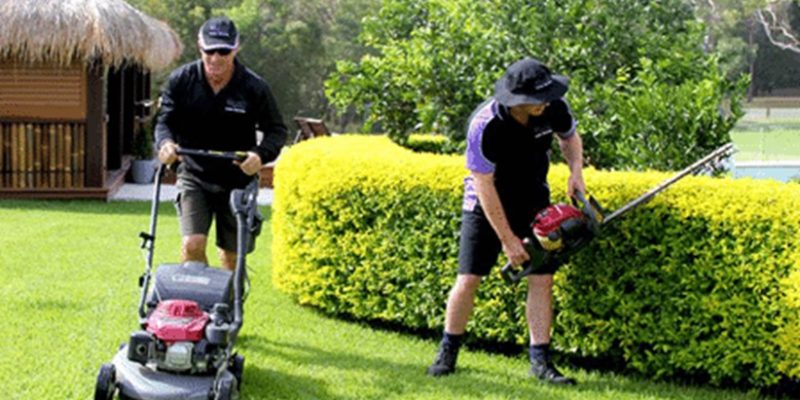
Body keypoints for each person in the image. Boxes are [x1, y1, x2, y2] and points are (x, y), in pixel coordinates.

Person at [427, 58, 585, 385]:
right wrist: (508, 240)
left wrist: (576, 173)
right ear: (517, 100)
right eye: (536, 99)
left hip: (533, 198)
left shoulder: (553, 107)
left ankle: (541, 363)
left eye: (546, 96)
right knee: (469, 279)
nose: (544, 102)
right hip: (485, 202)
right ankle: (447, 352)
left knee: (541, 278)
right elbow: (484, 184)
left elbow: (569, 138)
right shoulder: (484, 125)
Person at [155, 16, 287, 271]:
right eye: (210, 51)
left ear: (236, 49)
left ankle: (225, 308)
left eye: (224, 51)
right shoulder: (181, 81)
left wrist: (260, 156)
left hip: (237, 178)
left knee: (231, 257)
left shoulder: (253, 87)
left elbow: (276, 130)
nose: (216, 58)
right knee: (192, 244)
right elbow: (164, 122)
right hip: (194, 174)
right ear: (199, 47)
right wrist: (166, 143)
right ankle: (199, 305)